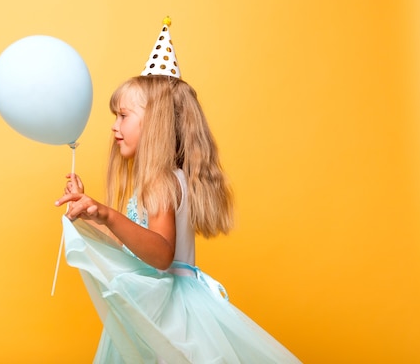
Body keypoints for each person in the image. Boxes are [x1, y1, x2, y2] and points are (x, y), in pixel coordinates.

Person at [55, 18, 301, 363]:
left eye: (123, 115)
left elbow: (160, 255)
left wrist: (109, 213)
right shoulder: (161, 180)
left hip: (172, 313)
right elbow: (132, 248)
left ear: (154, 122)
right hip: (164, 306)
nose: (114, 126)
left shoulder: (161, 181)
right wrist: (90, 214)